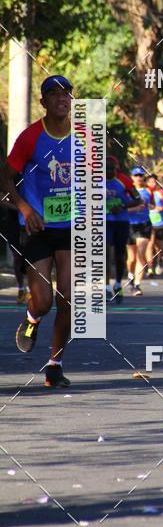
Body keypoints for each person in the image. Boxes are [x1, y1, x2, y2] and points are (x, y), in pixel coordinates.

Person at [1, 75, 74, 387]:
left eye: (66, 93)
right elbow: (4, 180)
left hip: (72, 226)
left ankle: (54, 364)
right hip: (38, 227)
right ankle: (32, 320)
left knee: (68, 298)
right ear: (43, 102)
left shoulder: (85, 136)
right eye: (53, 94)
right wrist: (25, 208)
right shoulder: (30, 137)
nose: (61, 98)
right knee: (43, 301)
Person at [106, 156, 141, 302]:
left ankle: (118, 283)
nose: (109, 172)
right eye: (106, 169)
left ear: (117, 169)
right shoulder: (93, 180)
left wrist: (122, 206)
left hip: (121, 221)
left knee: (119, 253)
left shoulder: (124, 180)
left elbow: (138, 198)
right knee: (104, 251)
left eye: (112, 169)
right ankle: (106, 286)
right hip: (104, 221)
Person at [126, 167, 154, 295]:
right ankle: (130, 275)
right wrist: (136, 207)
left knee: (140, 255)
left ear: (143, 177)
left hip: (144, 225)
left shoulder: (149, 191)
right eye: (136, 175)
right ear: (132, 177)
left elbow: (152, 205)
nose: (138, 177)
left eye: (140, 175)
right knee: (131, 259)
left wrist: (149, 207)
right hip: (130, 224)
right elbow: (122, 209)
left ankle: (137, 285)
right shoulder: (127, 191)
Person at [146, 173, 163, 276]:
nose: (152, 184)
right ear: (147, 183)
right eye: (150, 182)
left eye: (154, 182)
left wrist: (162, 208)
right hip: (148, 222)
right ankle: (150, 268)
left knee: (158, 246)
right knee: (150, 245)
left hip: (159, 222)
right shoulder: (145, 192)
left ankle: (160, 259)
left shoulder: (161, 192)